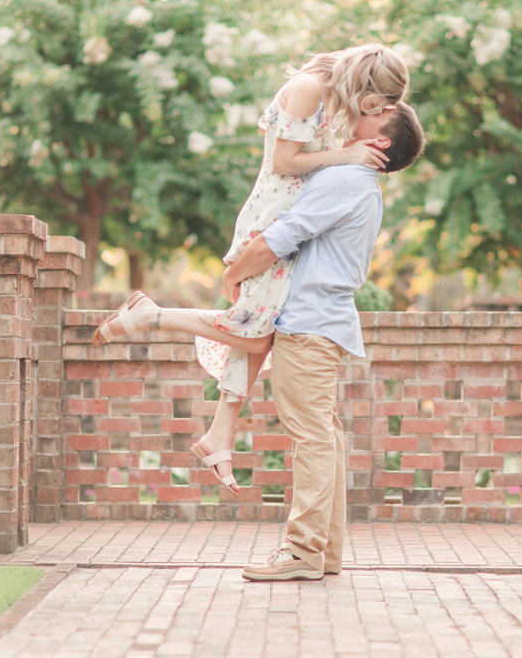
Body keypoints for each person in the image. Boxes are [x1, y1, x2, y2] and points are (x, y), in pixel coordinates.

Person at [91, 43, 410, 492]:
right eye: (377, 103)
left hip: (291, 223)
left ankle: (219, 434)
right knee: (255, 332)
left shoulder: (334, 98)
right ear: (365, 82)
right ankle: (151, 315)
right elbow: (283, 162)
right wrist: (345, 155)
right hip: (271, 221)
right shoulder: (309, 87)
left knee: (258, 331)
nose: (374, 111)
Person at [235, 101, 424, 581]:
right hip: (322, 323)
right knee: (323, 437)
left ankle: (302, 552)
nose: (363, 107)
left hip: (308, 325)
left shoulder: (345, 180)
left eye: (377, 111)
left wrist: (232, 274)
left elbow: (283, 236)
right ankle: (324, 552)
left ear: (380, 140)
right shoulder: (356, 179)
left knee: (313, 439)